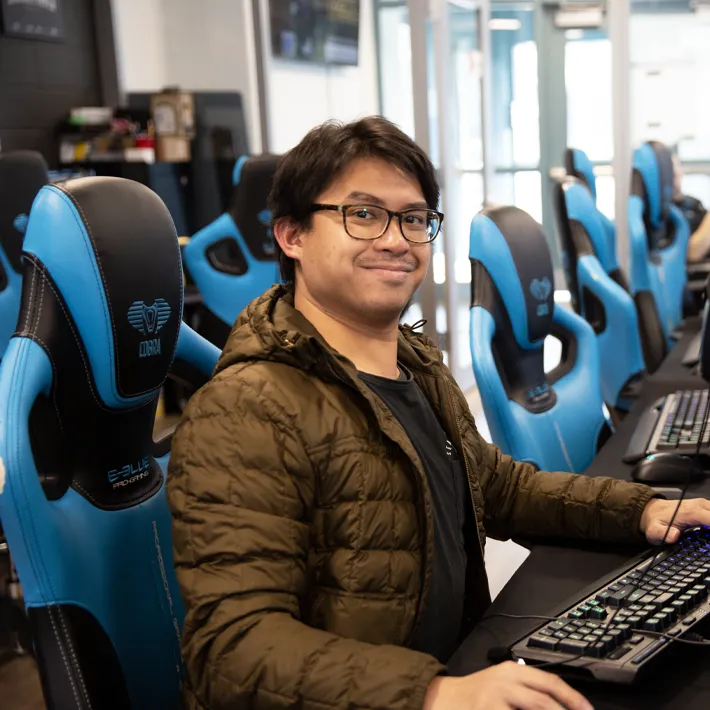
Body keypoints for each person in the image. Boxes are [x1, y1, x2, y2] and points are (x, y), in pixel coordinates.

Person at [167, 116, 710, 710]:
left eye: (415, 218)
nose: (398, 240)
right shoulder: (247, 409)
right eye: (364, 213)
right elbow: (232, 650)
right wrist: (433, 694)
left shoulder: (411, 362)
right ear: (291, 235)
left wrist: (641, 511)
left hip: (450, 667)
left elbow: (494, 487)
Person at [672, 154, 710, 262]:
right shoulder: (664, 213)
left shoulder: (695, 204)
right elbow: (691, 253)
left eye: (676, 167)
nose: (674, 172)